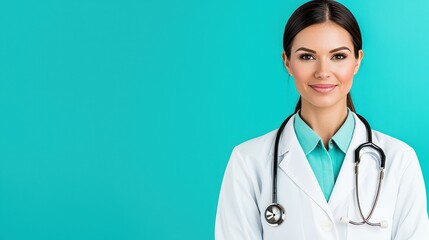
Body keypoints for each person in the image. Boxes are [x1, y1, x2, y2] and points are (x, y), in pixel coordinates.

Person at [215, 0, 429, 239]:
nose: (323, 72)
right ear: (287, 61)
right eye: (307, 57)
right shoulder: (248, 162)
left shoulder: (400, 160)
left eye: (338, 56)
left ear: (357, 60)